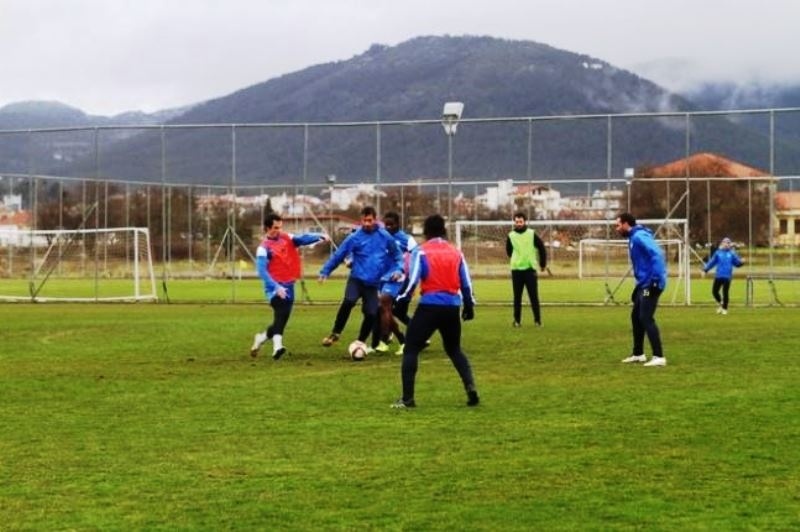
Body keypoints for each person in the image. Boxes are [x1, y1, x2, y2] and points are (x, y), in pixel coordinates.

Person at [392, 214, 479, 408]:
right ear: (444, 230)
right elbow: (466, 282)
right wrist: (469, 305)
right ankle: (471, 388)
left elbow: (412, 279)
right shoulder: (456, 253)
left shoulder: (422, 252)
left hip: (430, 307)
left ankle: (407, 399)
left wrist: (402, 301)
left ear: (426, 231)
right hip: (452, 308)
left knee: (411, 348)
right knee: (455, 350)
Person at [318, 206, 403, 350]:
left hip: (373, 284)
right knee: (349, 301)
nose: (367, 224)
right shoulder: (354, 237)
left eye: (369, 220)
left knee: (371, 313)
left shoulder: (385, 236)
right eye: (364, 220)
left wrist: (398, 270)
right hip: (356, 280)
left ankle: (361, 341)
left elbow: (398, 256)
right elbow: (339, 255)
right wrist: (326, 271)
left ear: (375, 219)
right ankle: (336, 332)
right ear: (361, 220)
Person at [250, 213, 329, 360]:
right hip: (273, 288)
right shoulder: (263, 248)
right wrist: (275, 287)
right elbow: (262, 271)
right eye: (275, 228)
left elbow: (302, 239)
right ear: (267, 228)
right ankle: (277, 347)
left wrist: (319, 236)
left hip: (289, 284)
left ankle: (261, 338)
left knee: (281, 320)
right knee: (281, 310)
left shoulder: (286, 238)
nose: (278, 230)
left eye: (280, 227)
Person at [615, 212, 668, 367]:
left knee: (645, 317)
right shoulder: (633, 238)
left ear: (626, 224)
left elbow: (657, 254)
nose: (616, 229)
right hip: (643, 284)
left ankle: (659, 357)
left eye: (618, 225)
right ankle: (638, 354)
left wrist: (655, 281)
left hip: (651, 284)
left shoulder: (639, 237)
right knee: (636, 317)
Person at [375, 211, 417, 355]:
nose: (388, 227)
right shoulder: (380, 237)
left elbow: (418, 258)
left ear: (398, 224)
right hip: (380, 278)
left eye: (391, 225)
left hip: (397, 278)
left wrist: (410, 276)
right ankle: (400, 340)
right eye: (386, 224)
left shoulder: (407, 239)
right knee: (384, 310)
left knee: (384, 304)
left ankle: (385, 341)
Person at [506, 211, 547, 327]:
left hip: (530, 270)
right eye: (517, 222)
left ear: (524, 222)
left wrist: (542, 263)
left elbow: (541, 247)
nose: (518, 223)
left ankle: (538, 321)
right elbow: (508, 251)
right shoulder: (511, 236)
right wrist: (517, 259)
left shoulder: (531, 234)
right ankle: (517, 321)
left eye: (521, 221)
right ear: (514, 222)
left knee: (534, 296)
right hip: (516, 270)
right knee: (517, 297)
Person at [702, 237, 744, 315]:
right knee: (714, 292)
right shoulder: (718, 253)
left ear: (730, 244)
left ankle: (725, 309)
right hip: (718, 275)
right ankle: (721, 304)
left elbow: (737, 263)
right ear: (722, 244)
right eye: (725, 243)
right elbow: (712, 262)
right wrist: (705, 270)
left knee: (725, 292)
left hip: (727, 276)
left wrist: (741, 262)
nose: (727, 244)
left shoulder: (732, 253)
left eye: (728, 243)